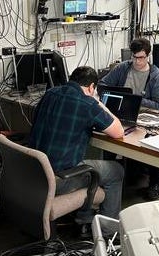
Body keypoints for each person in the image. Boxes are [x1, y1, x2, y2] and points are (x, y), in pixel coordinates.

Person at [29, 66, 125, 235]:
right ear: (91, 87)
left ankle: (85, 218)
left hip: (35, 172)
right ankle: (108, 232)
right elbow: (118, 132)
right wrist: (98, 103)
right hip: (59, 179)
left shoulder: (50, 93)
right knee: (116, 171)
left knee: (82, 161)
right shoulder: (88, 104)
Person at [100, 37, 159, 201]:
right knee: (108, 135)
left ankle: (155, 182)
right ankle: (108, 177)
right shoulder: (123, 68)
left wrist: (136, 98)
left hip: (147, 118)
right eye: (134, 57)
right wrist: (120, 95)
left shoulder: (155, 75)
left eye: (141, 57)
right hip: (123, 113)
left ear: (148, 56)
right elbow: (103, 84)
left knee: (153, 143)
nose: (137, 61)